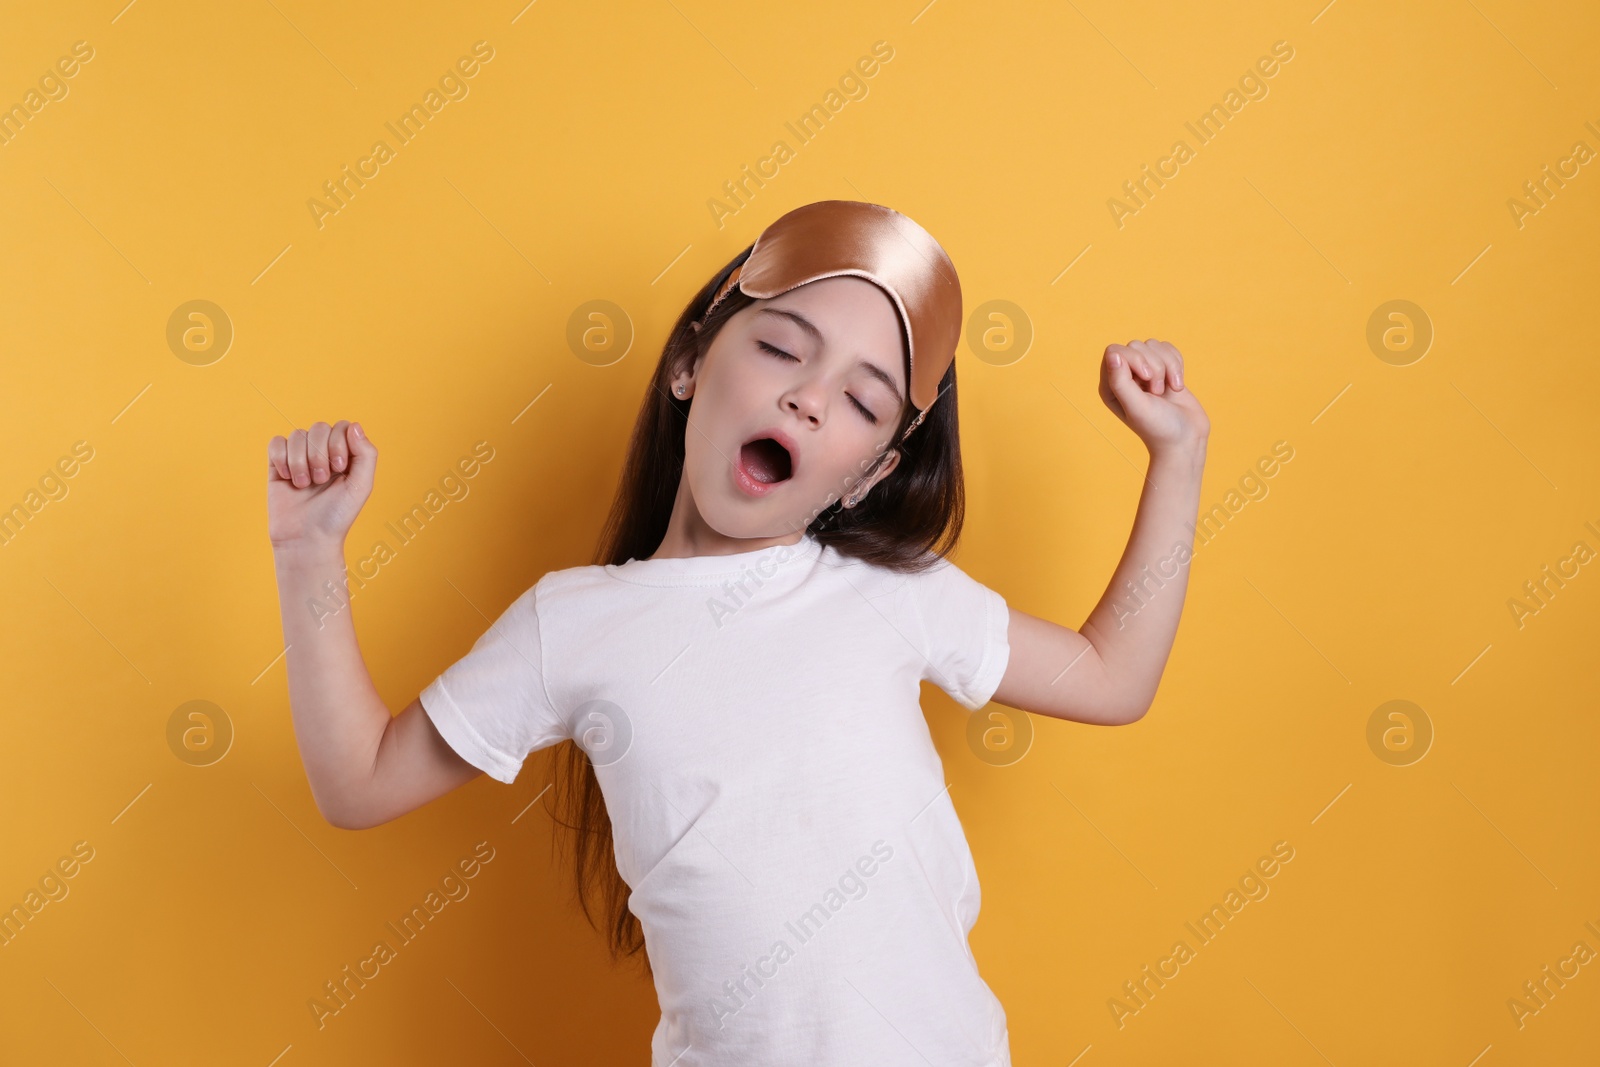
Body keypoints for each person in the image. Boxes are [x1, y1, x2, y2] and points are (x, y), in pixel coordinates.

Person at [266, 199, 1210, 1066]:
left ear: (867, 475)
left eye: (862, 399)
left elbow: (1110, 676)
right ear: (690, 363)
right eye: (782, 348)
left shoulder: (894, 593)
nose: (808, 398)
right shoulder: (575, 622)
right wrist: (309, 553)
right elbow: (360, 781)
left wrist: (1177, 453)